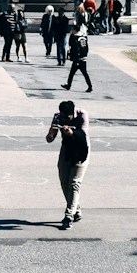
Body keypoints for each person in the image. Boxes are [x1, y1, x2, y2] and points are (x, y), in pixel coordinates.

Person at [46, 98, 89, 229]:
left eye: (68, 117)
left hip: (81, 150)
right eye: (63, 116)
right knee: (65, 183)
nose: (66, 119)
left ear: (72, 113)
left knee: (74, 183)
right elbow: (49, 139)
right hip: (66, 150)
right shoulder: (58, 117)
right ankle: (76, 209)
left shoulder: (82, 115)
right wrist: (52, 133)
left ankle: (68, 216)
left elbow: (82, 136)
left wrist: (71, 133)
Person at [62, 24, 93, 93]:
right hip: (83, 57)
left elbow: (76, 49)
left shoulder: (75, 38)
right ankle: (69, 85)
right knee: (78, 73)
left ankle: (89, 86)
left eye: (72, 30)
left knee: (78, 73)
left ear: (75, 30)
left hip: (78, 59)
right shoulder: (84, 37)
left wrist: (76, 59)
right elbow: (86, 48)